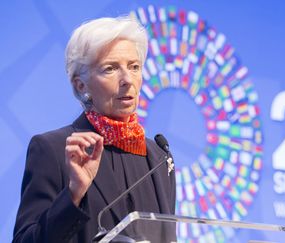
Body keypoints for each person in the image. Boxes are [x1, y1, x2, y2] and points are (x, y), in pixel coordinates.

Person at [13, 16, 176, 243]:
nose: (127, 79)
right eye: (110, 69)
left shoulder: (159, 157)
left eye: (134, 66)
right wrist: (73, 194)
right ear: (81, 85)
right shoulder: (54, 149)